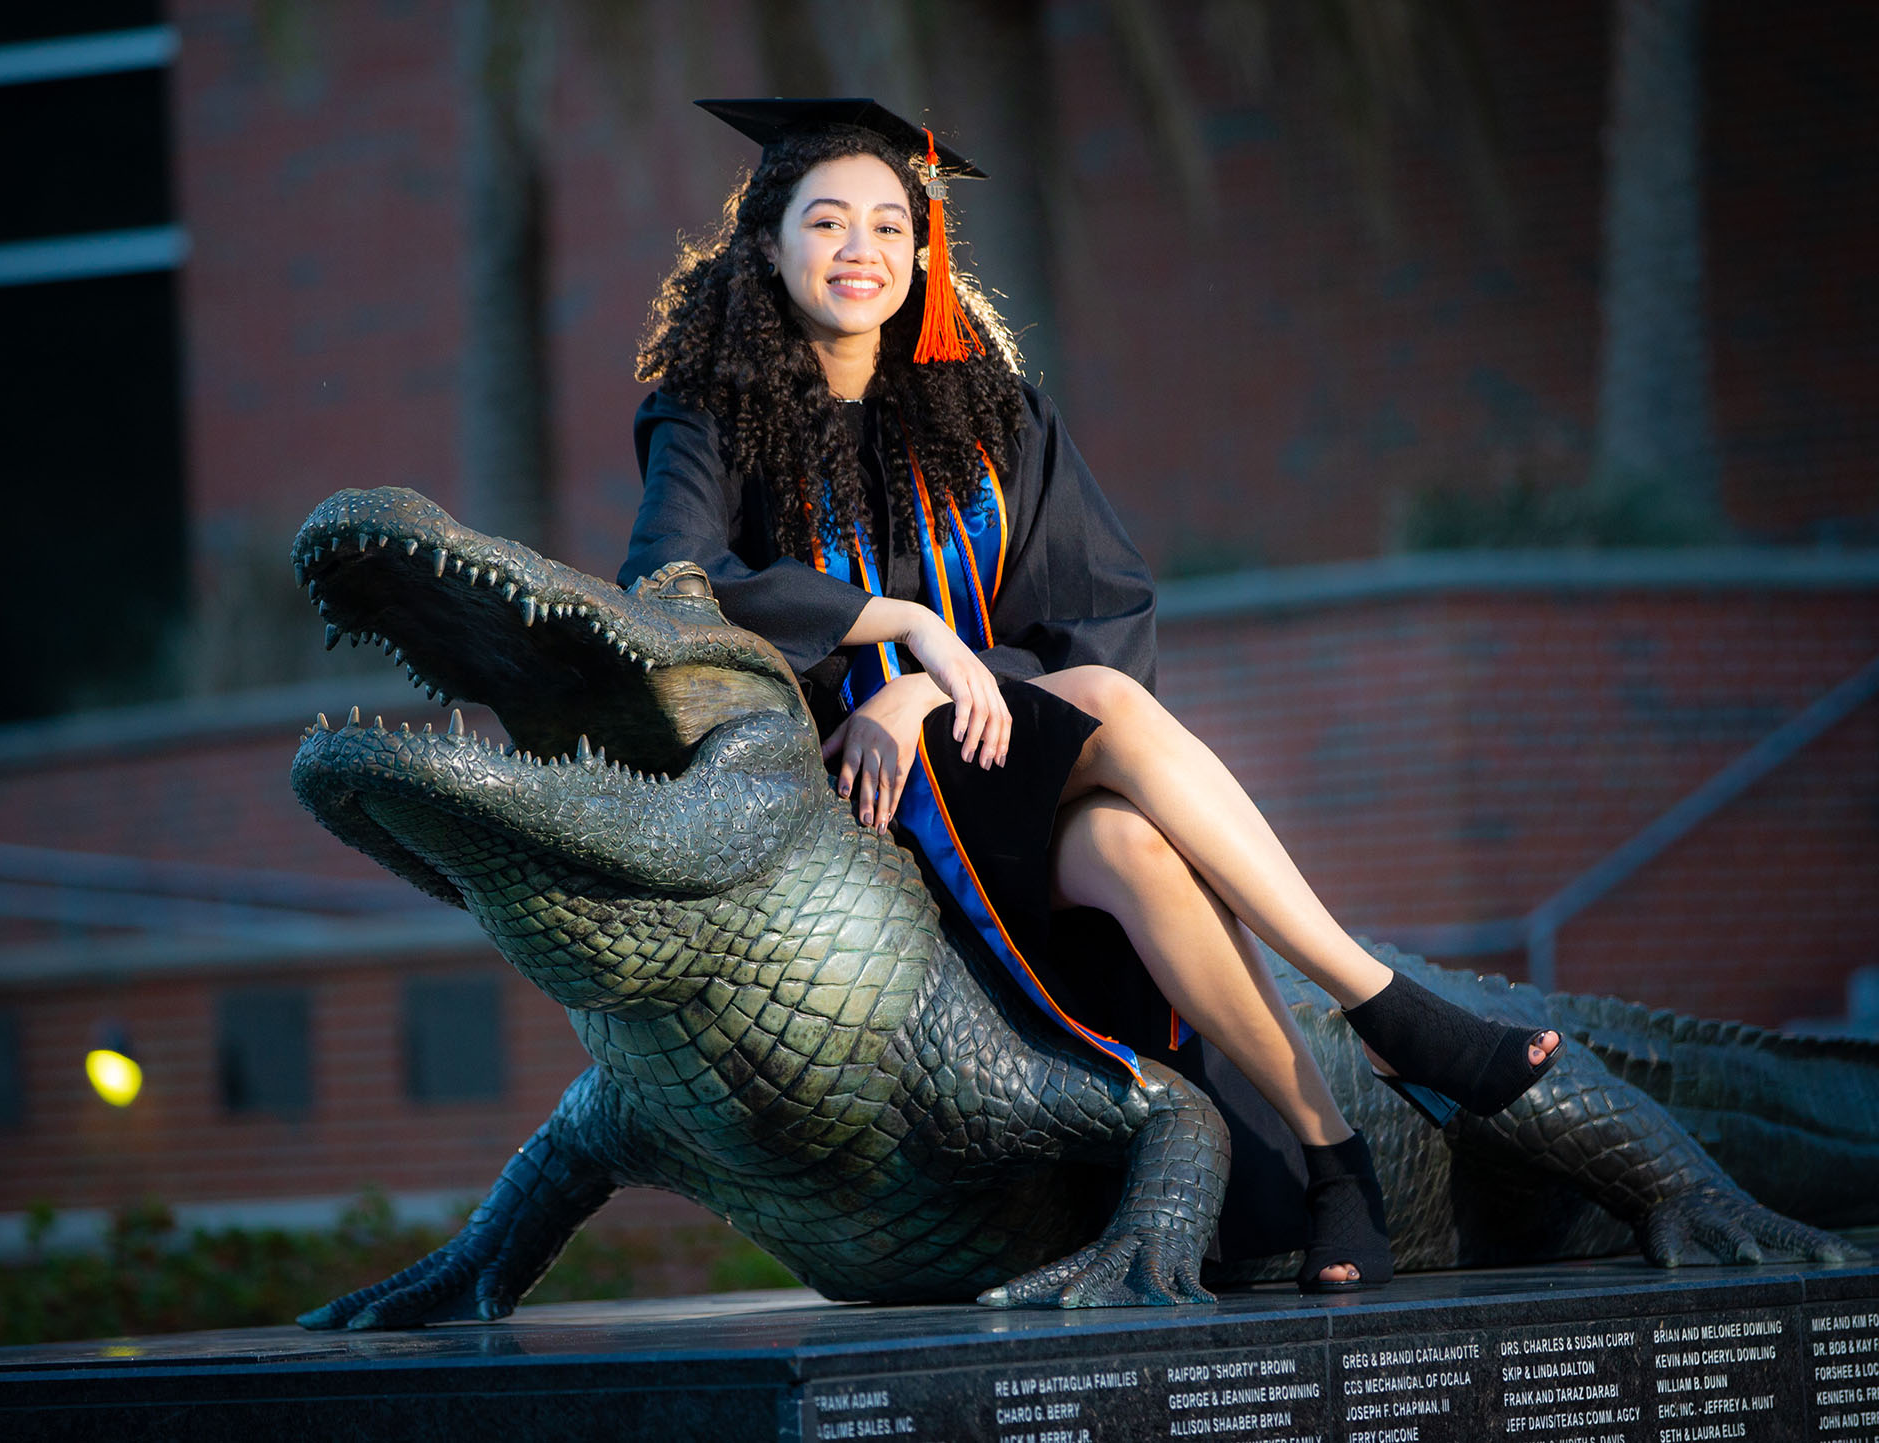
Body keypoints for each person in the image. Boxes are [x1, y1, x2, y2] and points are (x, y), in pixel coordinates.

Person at [620, 98, 1560, 1293]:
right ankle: (1385, 1009)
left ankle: (1332, 1166)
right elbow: (667, 585)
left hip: (996, 750)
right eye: (825, 222)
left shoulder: (993, 415)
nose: (861, 250)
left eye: (889, 227)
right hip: (852, 792)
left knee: (1129, 843)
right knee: (1111, 729)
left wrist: (932, 690)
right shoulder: (703, 417)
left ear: (922, 257)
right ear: (764, 243)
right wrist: (898, 641)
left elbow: (1097, 621)